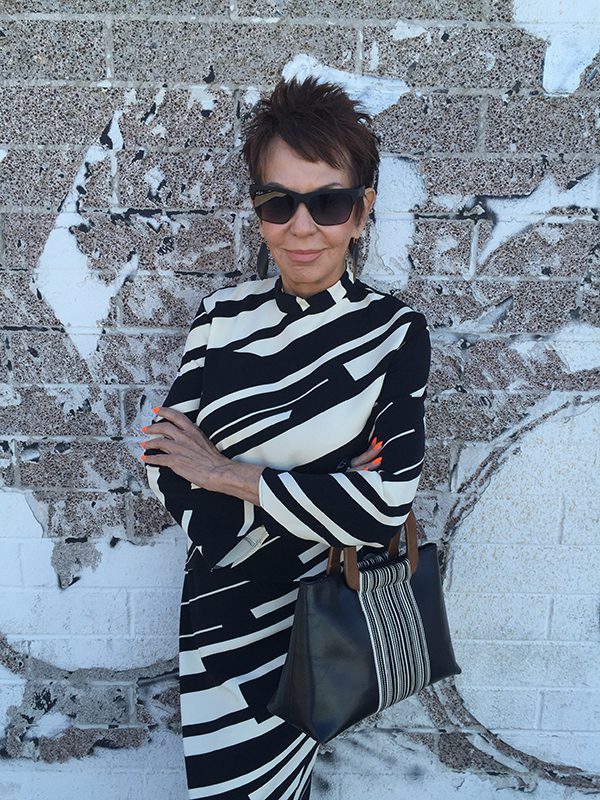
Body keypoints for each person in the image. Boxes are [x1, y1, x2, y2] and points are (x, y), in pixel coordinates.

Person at [141, 77, 431, 800]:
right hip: (215, 619)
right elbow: (165, 469)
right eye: (278, 202)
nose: (302, 227)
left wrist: (229, 473)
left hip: (316, 620)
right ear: (258, 212)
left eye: (327, 202)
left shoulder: (393, 335)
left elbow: (384, 505)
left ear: (362, 212)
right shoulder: (220, 316)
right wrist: (320, 483)